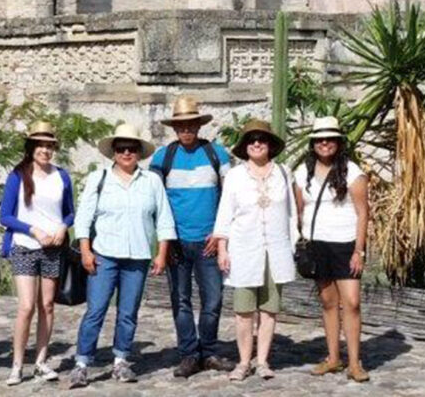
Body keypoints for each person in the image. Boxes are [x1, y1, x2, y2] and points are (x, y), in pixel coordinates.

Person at [69, 123, 177, 389]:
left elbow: (163, 218)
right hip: (104, 255)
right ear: (113, 153)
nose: (127, 153)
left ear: (139, 152)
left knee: (128, 312)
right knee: (96, 310)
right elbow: (84, 218)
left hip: (137, 256)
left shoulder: (151, 181)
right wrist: (85, 250)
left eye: (132, 148)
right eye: (121, 149)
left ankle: (121, 360)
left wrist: (161, 253)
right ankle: (82, 363)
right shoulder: (100, 178)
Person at [149, 96, 232, 377]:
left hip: (209, 241)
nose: (186, 130)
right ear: (175, 128)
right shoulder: (163, 157)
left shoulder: (216, 154)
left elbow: (230, 197)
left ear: (199, 125)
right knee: (180, 300)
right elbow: (155, 202)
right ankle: (188, 354)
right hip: (177, 243)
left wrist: (221, 234)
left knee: (213, 300)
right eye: (181, 126)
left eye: (191, 125)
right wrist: (165, 239)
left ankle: (208, 351)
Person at [214, 119, 297, 381]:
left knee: (269, 309)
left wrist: (291, 243)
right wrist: (222, 248)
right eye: (251, 140)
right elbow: (225, 213)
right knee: (243, 310)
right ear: (244, 146)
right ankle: (243, 361)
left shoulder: (283, 172)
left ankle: (262, 361)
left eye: (261, 139)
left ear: (270, 144)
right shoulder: (236, 176)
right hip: (244, 249)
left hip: (276, 249)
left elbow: (292, 213)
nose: (257, 143)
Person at [293, 117, 370, 383]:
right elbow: (298, 210)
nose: (324, 143)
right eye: (319, 139)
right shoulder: (303, 173)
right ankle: (333, 357)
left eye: (330, 138)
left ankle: (354, 362)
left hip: (345, 243)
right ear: (313, 144)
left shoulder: (353, 172)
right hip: (317, 244)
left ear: (338, 142)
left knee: (351, 302)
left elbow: (362, 213)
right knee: (328, 302)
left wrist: (359, 250)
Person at [0, 121, 76, 385]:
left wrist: (64, 227)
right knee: (26, 306)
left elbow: (69, 211)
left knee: (47, 305)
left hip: (53, 248)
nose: (45, 150)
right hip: (25, 245)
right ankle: (18, 363)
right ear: (31, 147)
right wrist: (32, 230)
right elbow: (5, 216)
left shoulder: (61, 176)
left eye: (49, 145)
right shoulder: (18, 175)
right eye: (40, 145)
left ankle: (41, 360)